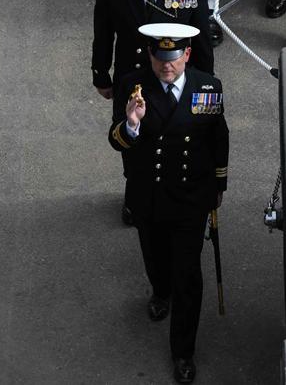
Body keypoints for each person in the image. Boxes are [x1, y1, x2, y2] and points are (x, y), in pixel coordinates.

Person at [109, 23, 228, 384]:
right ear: (151, 55)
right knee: (155, 256)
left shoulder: (208, 86)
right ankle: (161, 292)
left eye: (174, 59)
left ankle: (183, 351)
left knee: (188, 276)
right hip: (150, 194)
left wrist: (219, 183)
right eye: (160, 59)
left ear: (187, 55)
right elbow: (116, 140)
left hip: (191, 197)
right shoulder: (132, 85)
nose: (166, 66)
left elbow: (218, 136)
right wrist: (131, 124)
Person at [93, 0, 215, 225]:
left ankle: (172, 192)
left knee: (175, 139)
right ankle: (135, 194)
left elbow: (201, 42)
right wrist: (100, 73)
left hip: (175, 78)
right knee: (132, 138)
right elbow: (104, 31)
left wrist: (205, 83)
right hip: (131, 80)